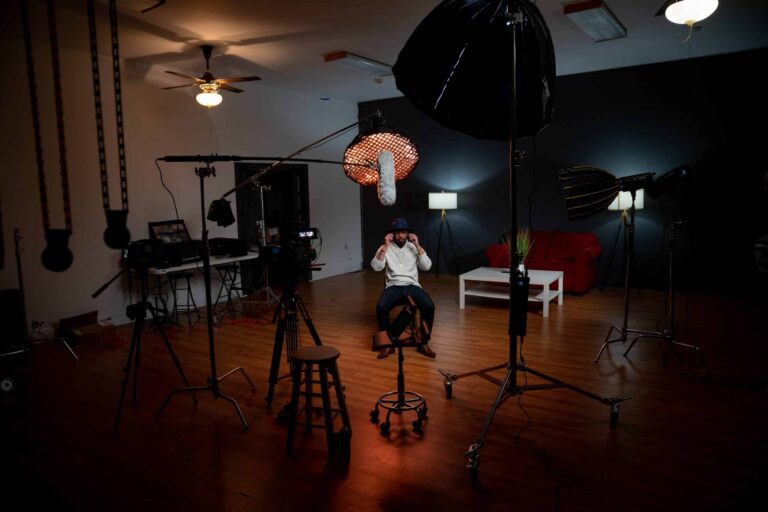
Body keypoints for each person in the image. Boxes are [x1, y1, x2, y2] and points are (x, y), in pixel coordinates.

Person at [371, 218, 436, 358]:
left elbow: (426, 266)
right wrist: (385, 246)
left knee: (429, 306)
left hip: (412, 285)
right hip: (393, 286)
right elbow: (376, 267)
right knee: (381, 307)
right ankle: (387, 345)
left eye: (403, 232)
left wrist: (418, 245)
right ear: (392, 234)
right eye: (397, 232)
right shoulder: (385, 247)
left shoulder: (413, 247)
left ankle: (423, 342)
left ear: (407, 234)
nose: (400, 235)